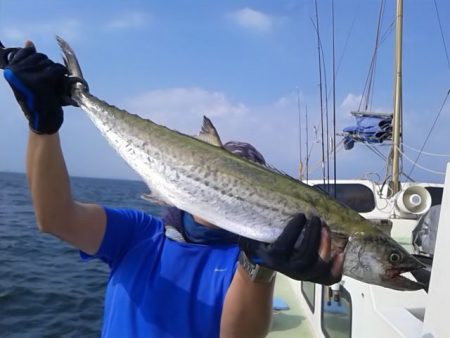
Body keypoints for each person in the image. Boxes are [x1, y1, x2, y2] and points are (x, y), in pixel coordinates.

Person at [2, 41, 344, 338]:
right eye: (214, 172)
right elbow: (54, 218)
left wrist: (260, 267)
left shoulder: (246, 263)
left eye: (242, 182)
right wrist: (42, 127)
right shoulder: (138, 235)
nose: (222, 188)